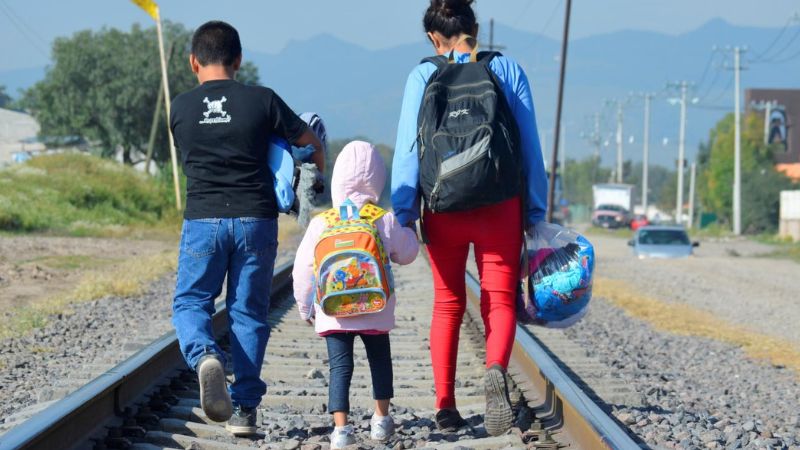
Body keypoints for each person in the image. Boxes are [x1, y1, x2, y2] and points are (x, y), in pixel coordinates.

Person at [391, 0, 548, 436]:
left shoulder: (423, 74)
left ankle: (445, 405)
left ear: (432, 38)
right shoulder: (507, 69)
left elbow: (408, 150)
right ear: (475, 29)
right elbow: (530, 147)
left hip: (444, 208)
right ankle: (496, 368)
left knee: (448, 304)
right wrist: (535, 210)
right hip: (500, 204)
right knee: (499, 299)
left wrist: (404, 213)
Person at [169, 20, 325, 437]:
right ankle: (245, 411)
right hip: (256, 219)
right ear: (238, 60)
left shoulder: (180, 107)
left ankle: (205, 357)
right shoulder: (263, 100)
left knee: (190, 303)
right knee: (248, 314)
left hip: (203, 219)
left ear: (192, 62)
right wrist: (316, 176)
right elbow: (309, 142)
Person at [293, 141, 419, 448]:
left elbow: (303, 270)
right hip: (375, 308)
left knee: (340, 367)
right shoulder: (381, 217)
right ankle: (380, 420)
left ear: (337, 178)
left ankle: (341, 430)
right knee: (380, 361)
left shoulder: (322, 222)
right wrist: (410, 231)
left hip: (334, 311)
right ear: (377, 179)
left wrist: (305, 307)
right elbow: (407, 253)